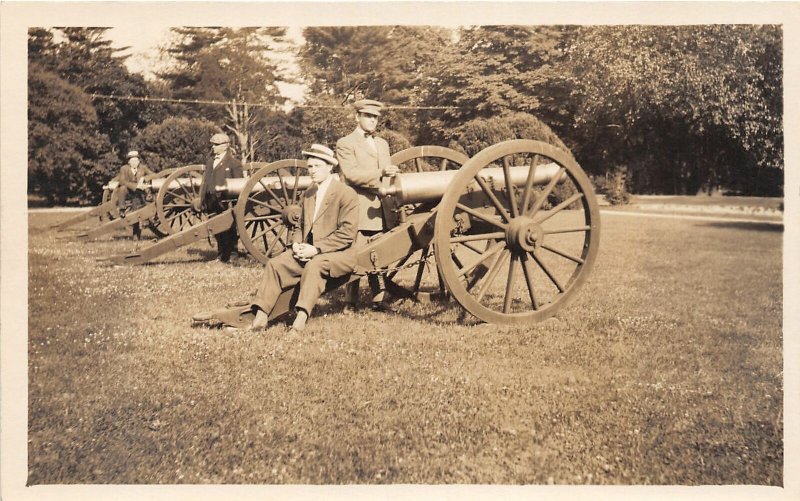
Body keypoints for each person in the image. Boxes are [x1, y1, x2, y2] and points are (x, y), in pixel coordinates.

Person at [247, 144, 359, 333]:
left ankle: (300, 320)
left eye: (317, 166)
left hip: (340, 254)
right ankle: (261, 317)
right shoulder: (308, 194)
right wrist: (297, 243)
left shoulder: (346, 194)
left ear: (330, 167)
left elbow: (347, 234)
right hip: (310, 250)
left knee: (314, 265)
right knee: (275, 264)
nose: (312, 171)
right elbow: (299, 224)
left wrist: (316, 249)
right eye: (310, 167)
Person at [335, 99, 399, 311]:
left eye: (376, 117)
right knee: (356, 252)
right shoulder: (345, 143)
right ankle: (350, 301)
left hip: (382, 206)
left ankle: (378, 298)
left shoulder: (382, 143)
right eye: (368, 116)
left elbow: (387, 173)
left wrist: (391, 176)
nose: (373, 121)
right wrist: (380, 175)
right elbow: (351, 175)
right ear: (357, 117)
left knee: (381, 252)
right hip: (359, 206)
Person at [200, 132, 244, 262]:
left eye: (216, 145)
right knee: (216, 228)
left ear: (225, 146)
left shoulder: (234, 163)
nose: (213, 147)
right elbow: (205, 181)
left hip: (226, 201)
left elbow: (239, 184)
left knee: (229, 229)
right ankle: (221, 254)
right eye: (212, 144)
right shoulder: (210, 162)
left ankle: (232, 254)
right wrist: (202, 199)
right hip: (212, 200)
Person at [116, 150, 154, 239]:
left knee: (137, 211)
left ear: (139, 161)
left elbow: (155, 175)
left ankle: (136, 235)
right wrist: (135, 186)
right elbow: (122, 181)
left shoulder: (143, 168)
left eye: (136, 160)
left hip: (139, 194)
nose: (134, 162)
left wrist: (145, 178)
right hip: (129, 192)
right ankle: (122, 209)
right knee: (122, 188)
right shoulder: (124, 168)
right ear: (129, 162)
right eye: (132, 161)